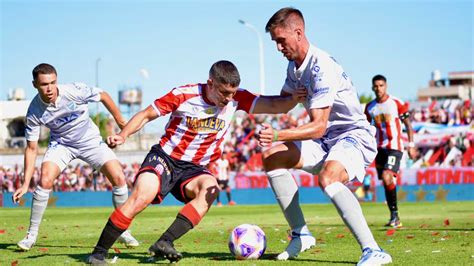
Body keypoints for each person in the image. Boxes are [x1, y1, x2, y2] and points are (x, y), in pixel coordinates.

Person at [86, 60, 306, 264]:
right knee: (142, 195)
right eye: (224, 92)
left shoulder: (238, 99)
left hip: (195, 169)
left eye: (232, 93)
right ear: (210, 82)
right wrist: (123, 135)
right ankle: (98, 252)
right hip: (165, 158)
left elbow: (275, 105)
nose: (228, 98)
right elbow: (145, 115)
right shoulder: (183, 94)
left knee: (211, 189)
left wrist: (295, 97)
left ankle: (165, 242)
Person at [258, 7, 392, 264]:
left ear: (298, 33)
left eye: (280, 41)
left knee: (328, 177)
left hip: (353, 136)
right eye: (275, 42)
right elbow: (284, 102)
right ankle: (301, 234)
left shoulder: (322, 66)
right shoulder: (293, 66)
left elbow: (319, 125)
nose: (278, 47)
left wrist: (278, 134)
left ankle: (374, 250)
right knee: (272, 157)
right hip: (325, 140)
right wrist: (239, 101)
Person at [13, 63, 139, 251]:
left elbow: (103, 95)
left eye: (53, 82)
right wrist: (25, 184)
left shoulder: (74, 90)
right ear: (34, 85)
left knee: (119, 177)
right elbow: (31, 149)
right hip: (62, 145)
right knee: (45, 179)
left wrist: (121, 123)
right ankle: (31, 236)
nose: (49, 88)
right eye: (44, 84)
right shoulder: (34, 111)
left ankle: (122, 231)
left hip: (89, 141)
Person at [364, 74, 416, 228]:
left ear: (386, 86)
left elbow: (408, 124)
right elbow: (367, 128)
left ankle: (395, 216)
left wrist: (411, 144)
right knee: (387, 182)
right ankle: (394, 216)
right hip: (379, 150)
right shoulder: (370, 107)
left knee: (387, 177)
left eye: (381, 85)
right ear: (372, 87)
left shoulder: (396, 103)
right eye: (376, 86)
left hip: (395, 148)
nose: (378, 88)